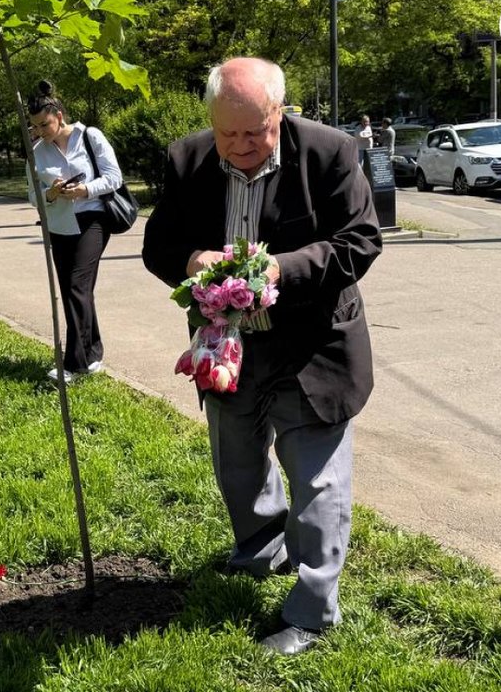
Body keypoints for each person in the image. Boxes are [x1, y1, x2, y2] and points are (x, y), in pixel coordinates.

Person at [141, 57, 381, 656]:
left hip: (311, 345)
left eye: (256, 132)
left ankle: (312, 607)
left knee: (316, 481)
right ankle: (260, 548)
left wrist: (282, 268)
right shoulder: (187, 158)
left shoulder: (329, 152)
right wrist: (192, 261)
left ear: (280, 111)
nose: (241, 147)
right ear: (212, 122)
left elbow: (360, 240)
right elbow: (158, 245)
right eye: (228, 134)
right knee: (237, 462)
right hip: (227, 346)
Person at [29, 79, 124, 383]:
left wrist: (84, 190)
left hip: (93, 219)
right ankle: (93, 353)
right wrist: (52, 194)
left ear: (59, 114)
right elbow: (33, 194)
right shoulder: (37, 151)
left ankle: (74, 364)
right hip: (60, 225)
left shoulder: (90, 136)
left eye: (45, 124)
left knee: (75, 288)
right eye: (36, 127)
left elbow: (114, 178)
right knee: (79, 291)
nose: (41, 131)